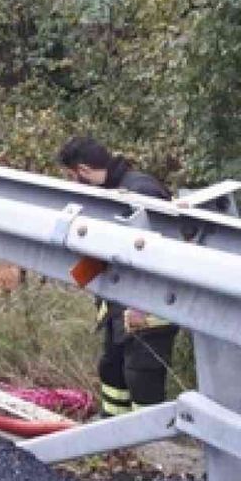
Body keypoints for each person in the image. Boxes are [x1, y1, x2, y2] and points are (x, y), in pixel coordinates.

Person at [58, 136, 178, 418]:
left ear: (83, 170)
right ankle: (112, 429)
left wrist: (141, 307)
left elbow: (163, 253)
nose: (74, 183)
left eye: (73, 177)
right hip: (118, 307)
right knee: (112, 370)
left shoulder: (141, 192)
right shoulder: (110, 192)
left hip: (148, 309)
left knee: (142, 378)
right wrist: (81, 276)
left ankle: (148, 438)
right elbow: (110, 248)